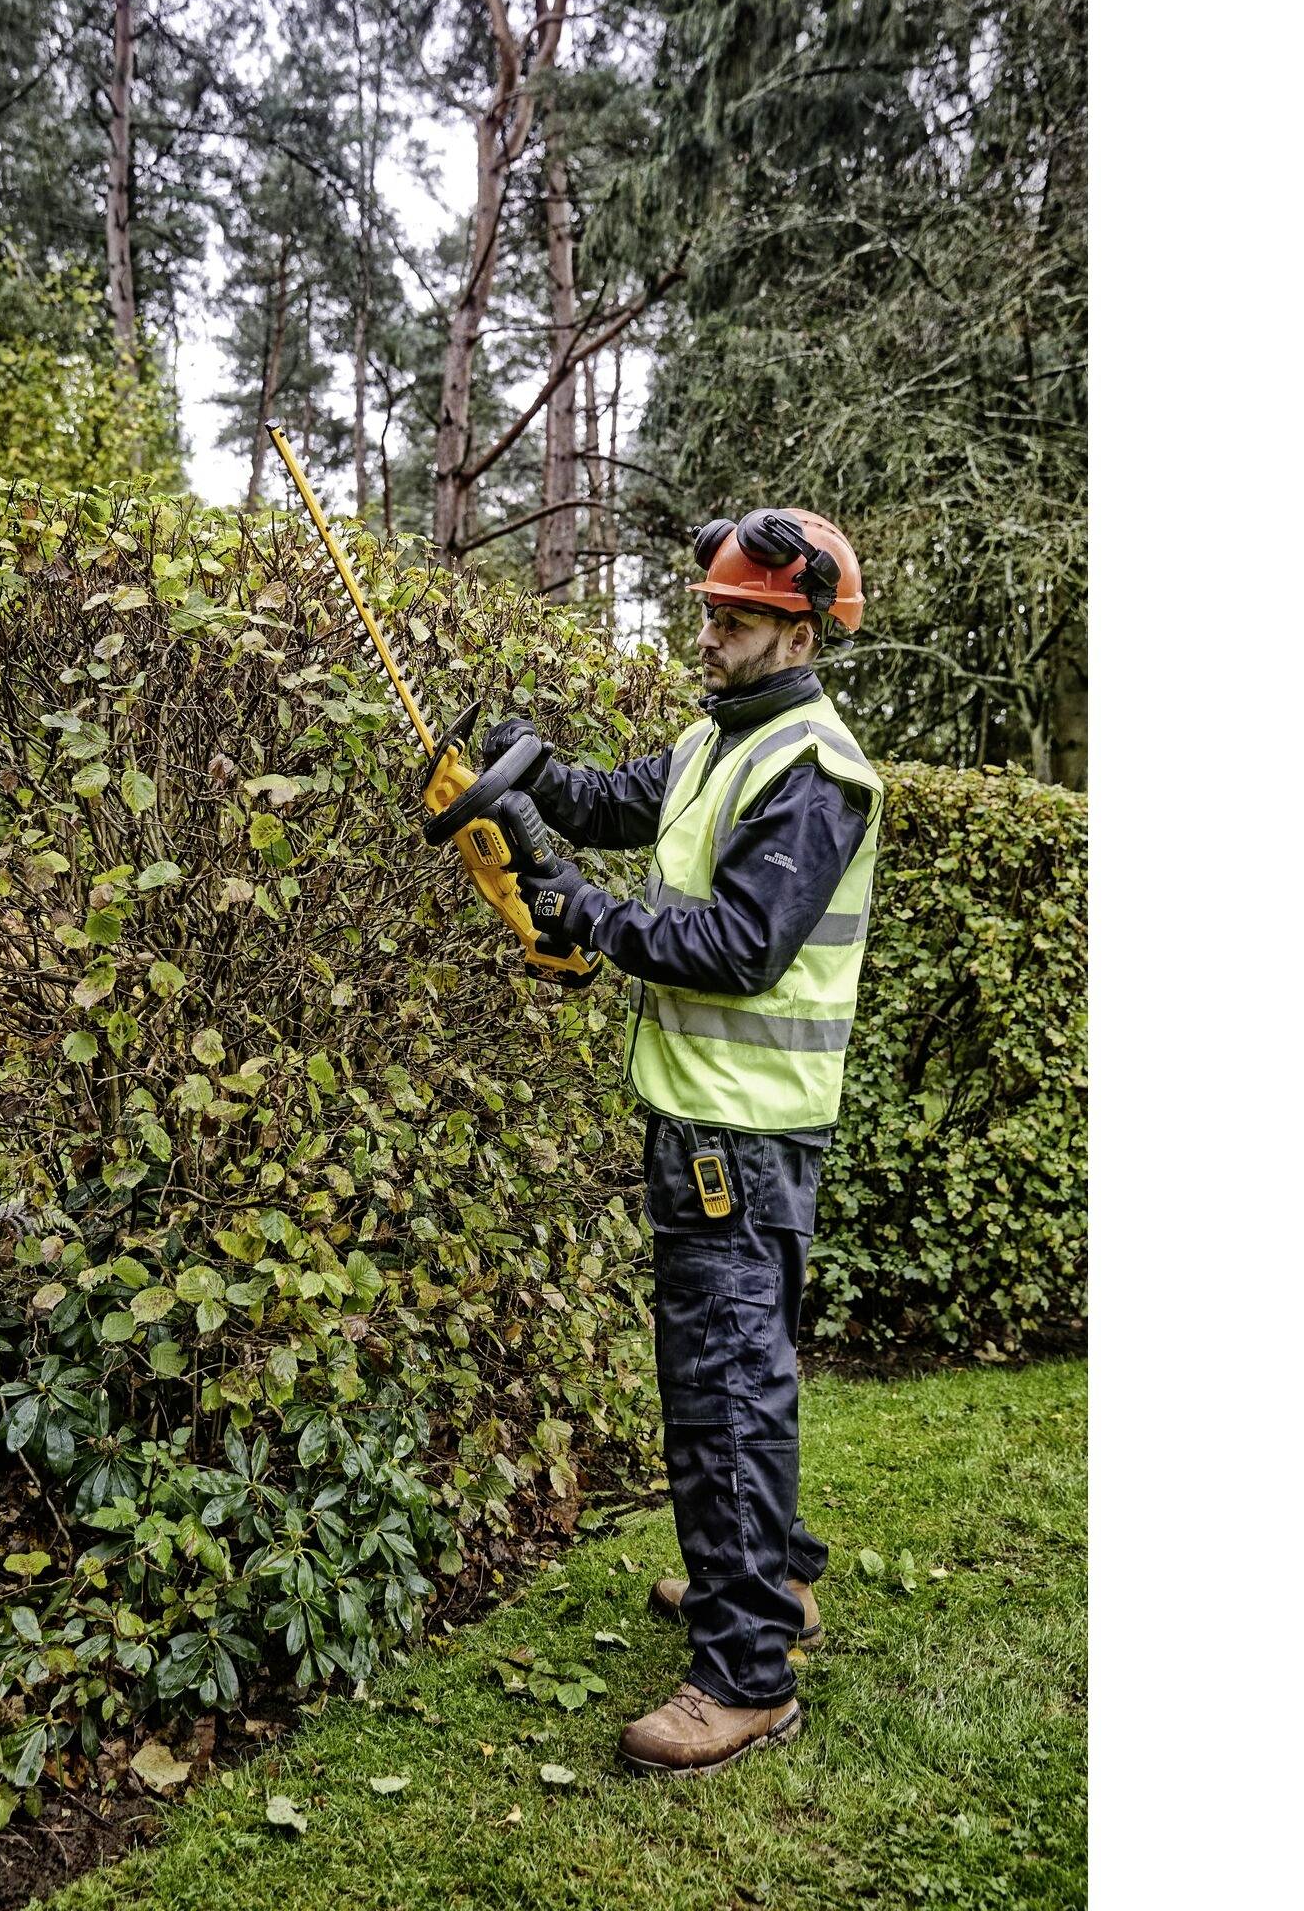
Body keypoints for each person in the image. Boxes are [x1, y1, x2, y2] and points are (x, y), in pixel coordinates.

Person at [487, 506, 883, 1777]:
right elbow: (617, 804)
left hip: (739, 1132)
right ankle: (770, 1588)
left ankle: (743, 1674)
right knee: (739, 1373)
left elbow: (742, 947)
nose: (704, 633)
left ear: (798, 625)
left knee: (720, 1392)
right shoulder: (726, 740)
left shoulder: (812, 769)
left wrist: (589, 920)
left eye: (732, 618)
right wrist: (534, 775)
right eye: (706, 611)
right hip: (713, 1121)